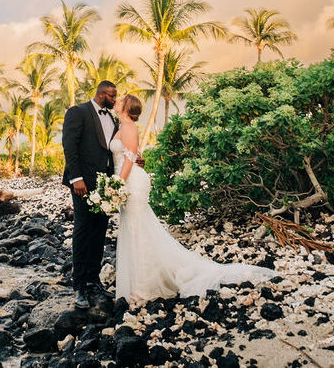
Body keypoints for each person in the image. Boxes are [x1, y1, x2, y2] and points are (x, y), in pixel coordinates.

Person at [111, 93, 276, 302]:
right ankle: (140, 280)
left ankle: (143, 287)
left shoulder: (128, 127)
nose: (117, 101)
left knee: (137, 231)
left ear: (126, 106)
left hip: (130, 181)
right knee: (135, 229)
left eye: (121, 99)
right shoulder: (122, 126)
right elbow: (135, 155)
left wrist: (118, 182)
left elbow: (129, 157)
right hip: (127, 180)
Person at [61, 80, 120, 309]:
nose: (115, 100)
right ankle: (80, 287)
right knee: (83, 231)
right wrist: (76, 178)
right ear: (102, 94)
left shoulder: (112, 118)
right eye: (113, 96)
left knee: (99, 230)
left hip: (105, 184)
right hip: (83, 183)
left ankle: (94, 281)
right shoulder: (78, 112)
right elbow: (69, 145)